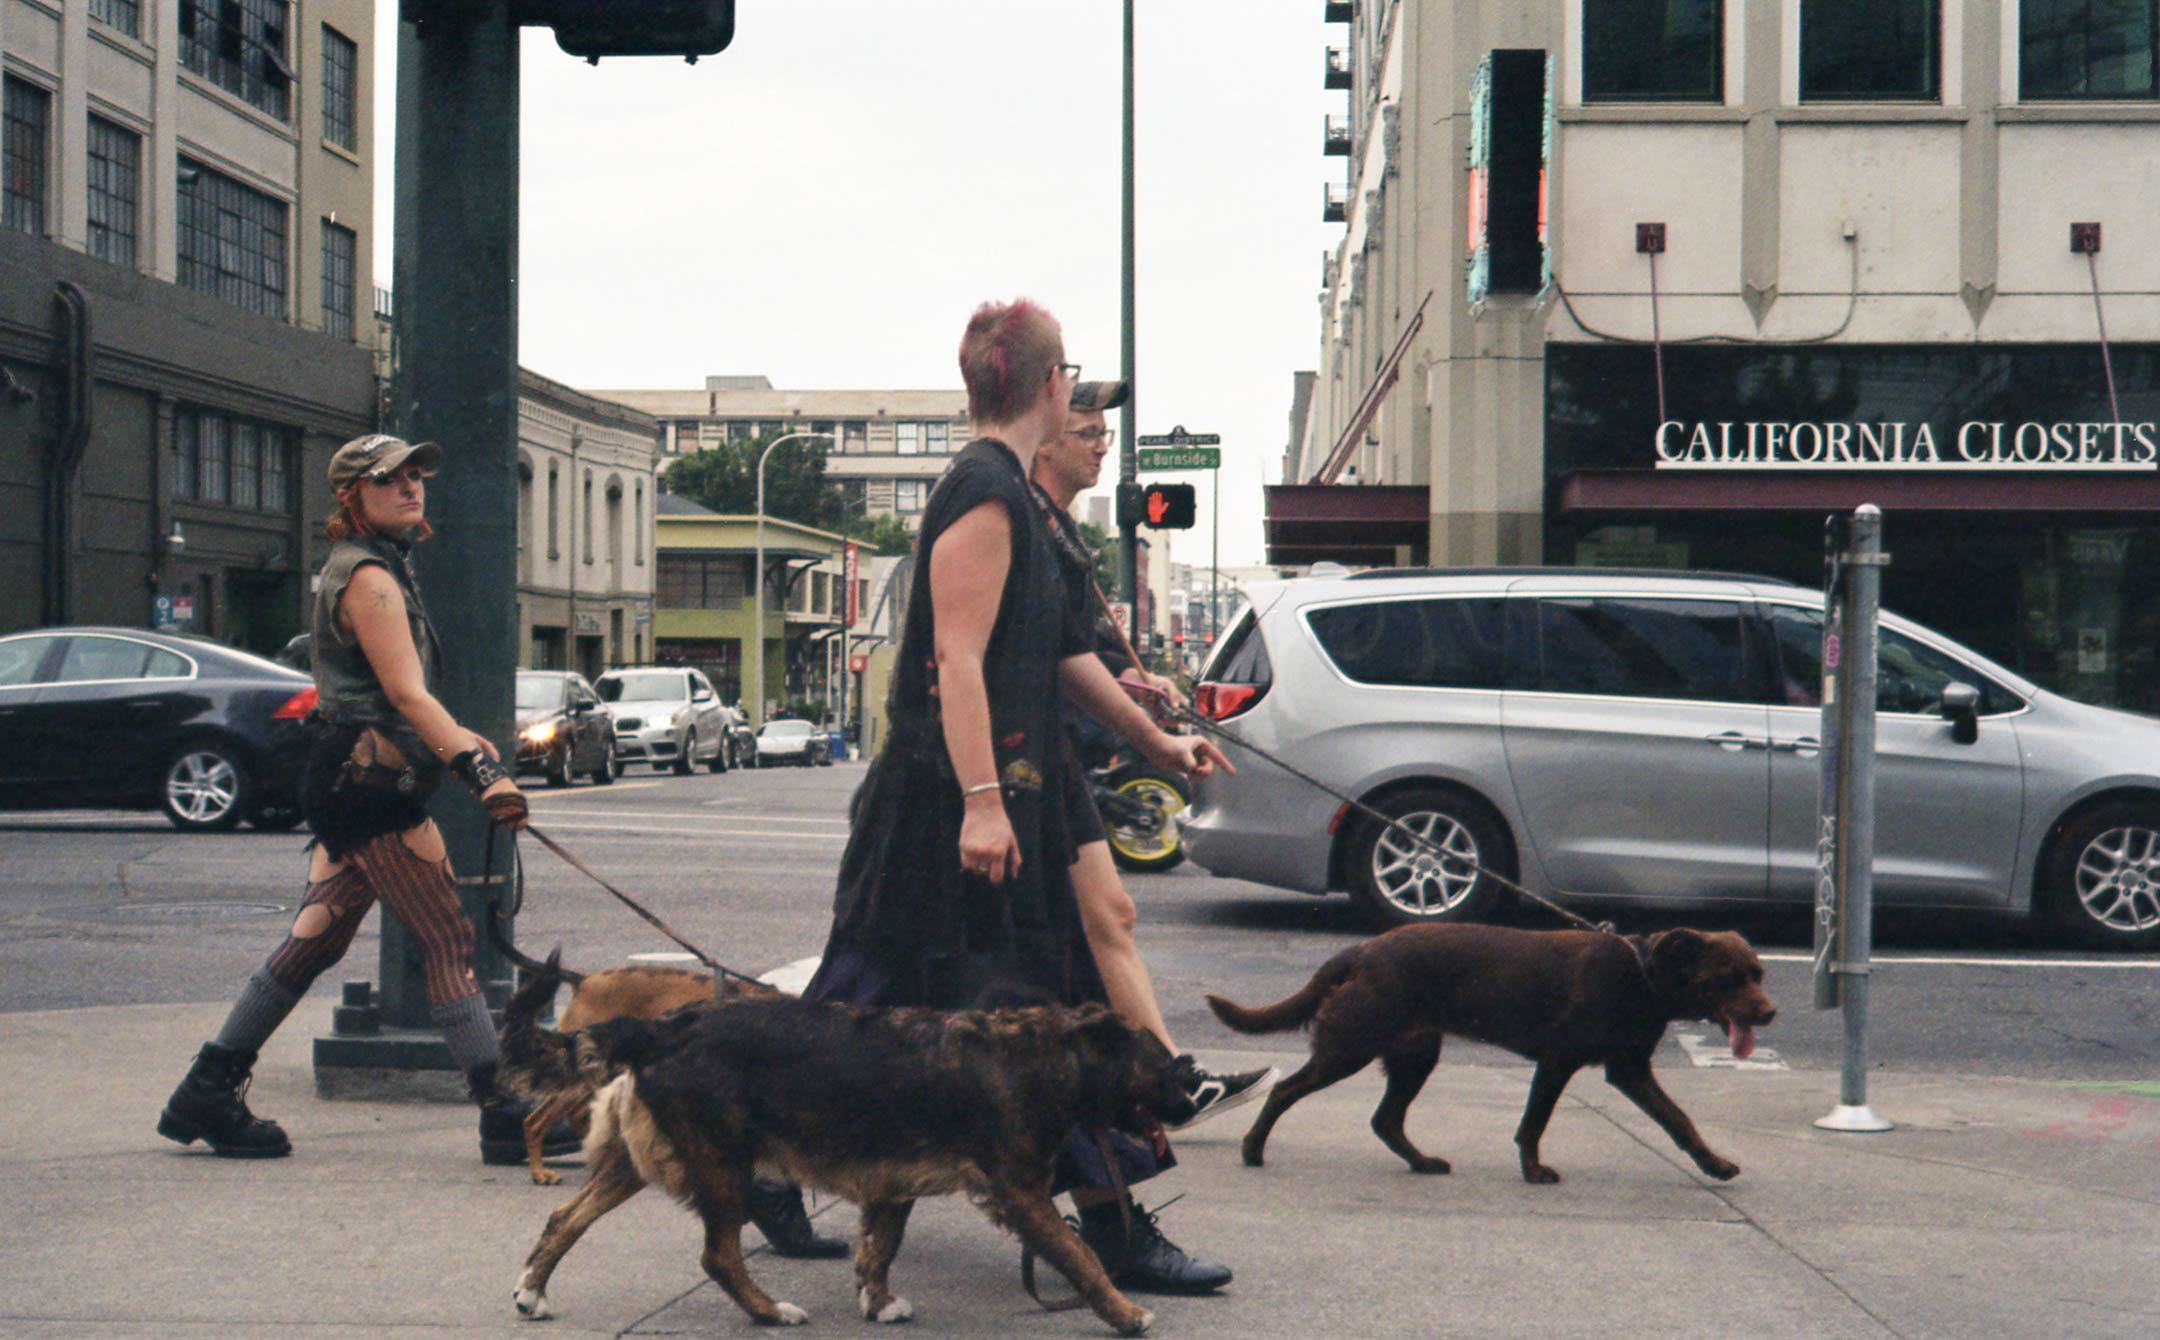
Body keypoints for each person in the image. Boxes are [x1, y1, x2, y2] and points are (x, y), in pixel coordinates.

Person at [799, 299, 1237, 1294]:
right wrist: (984, 802)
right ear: (1050, 383)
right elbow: (955, 658)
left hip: (993, 791)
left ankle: (1113, 1219)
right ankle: (764, 1158)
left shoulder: (1016, 502)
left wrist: (1158, 743)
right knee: (877, 996)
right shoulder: (985, 494)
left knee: (1024, 999)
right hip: (939, 803)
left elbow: (1061, 655)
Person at [155, 434, 571, 1166]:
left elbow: (378, 693)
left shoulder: (372, 568)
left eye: (416, 475)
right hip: (370, 787)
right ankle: (506, 1111)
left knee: (316, 940)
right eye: (391, 479)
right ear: (355, 495)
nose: (412, 487)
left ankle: (206, 1091)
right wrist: (479, 772)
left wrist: (465, 738)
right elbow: (406, 695)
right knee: (446, 942)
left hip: (350, 776)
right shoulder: (372, 578)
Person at [1030, 380, 1278, 1128]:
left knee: (1111, 917)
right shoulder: (1023, 528)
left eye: (1106, 433)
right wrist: (1154, 735)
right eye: (1086, 432)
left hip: (1050, 764)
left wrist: (1142, 690)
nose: (1103, 445)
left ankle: (1169, 1081)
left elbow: (1076, 653)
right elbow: (1045, 658)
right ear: (1042, 438)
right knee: (910, 966)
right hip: (1008, 772)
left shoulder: (1061, 532)